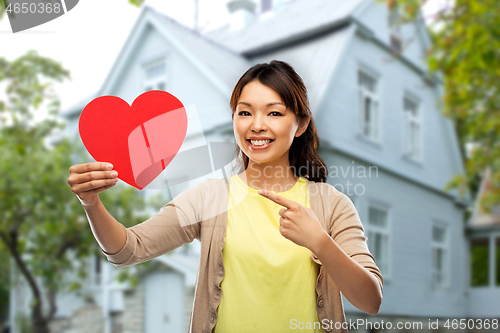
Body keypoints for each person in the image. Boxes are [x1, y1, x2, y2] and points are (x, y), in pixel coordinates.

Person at [67, 60, 383, 333]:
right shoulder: (210, 198)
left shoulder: (332, 204)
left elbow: (370, 301)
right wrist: (90, 203)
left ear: (300, 124)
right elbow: (127, 250)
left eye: (274, 113)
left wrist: (320, 242)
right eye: (245, 112)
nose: (257, 125)